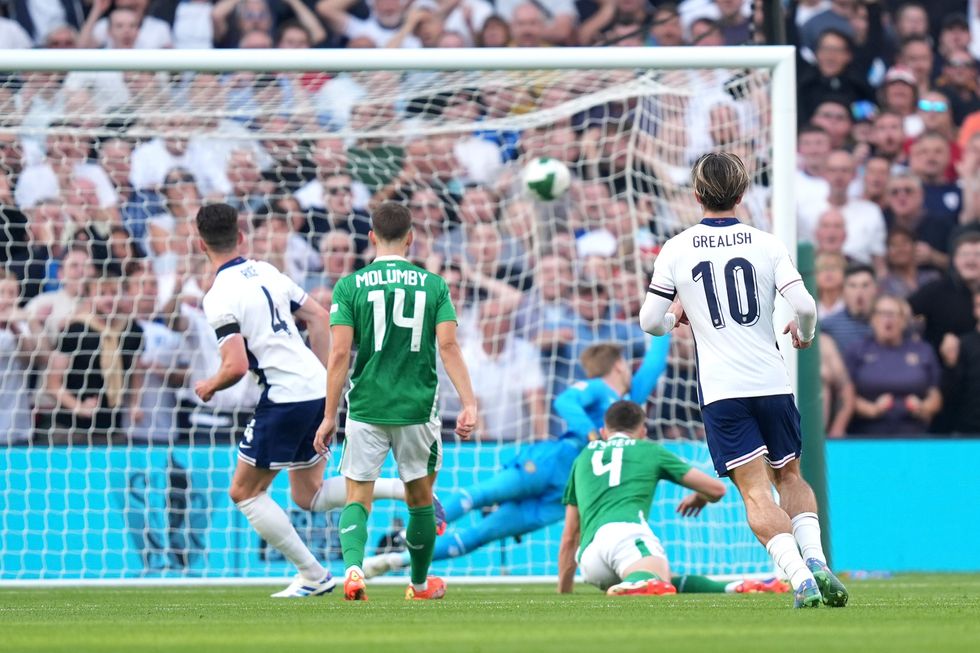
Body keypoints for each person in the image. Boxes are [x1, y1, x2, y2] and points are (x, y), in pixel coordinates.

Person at [638, 152, 848, 609]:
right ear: (742, 192)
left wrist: (677, 314)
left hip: (723, 392)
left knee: (755, 491)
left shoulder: (676, 248)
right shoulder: (767, 243)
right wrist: (804, 334)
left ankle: (798, 578)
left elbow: (649, 322)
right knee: (791, 476)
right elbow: (807, 307)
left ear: (696, 194)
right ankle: (817, 561)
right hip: (772, 382)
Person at [361, 339, 671, 579]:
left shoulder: (629, 402)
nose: (632, 370)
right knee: (479, 496)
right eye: (628, 365)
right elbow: (565, 401)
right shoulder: (597, 388)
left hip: (565, 493)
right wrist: (592, 434)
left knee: (483, 534)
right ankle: (401, 538)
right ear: (618, 365)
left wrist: (666, 314)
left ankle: (394, 560)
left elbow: (655, 363)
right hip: (551, 463)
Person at [315, 202, 479, 601]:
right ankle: (420, 585)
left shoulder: (349, 286)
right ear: (410, 238)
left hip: (367, 406)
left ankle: (354, 571)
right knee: (421, 500)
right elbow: (449, 346)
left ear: (372, 237)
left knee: (358, 495)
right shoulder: (434, 285)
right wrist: (469, 402)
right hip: (417, 408)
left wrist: (327, 416)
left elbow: (339, 356)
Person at [193, 202, 335, 598]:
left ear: (201, 244)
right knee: (309, 495)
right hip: (316, 388)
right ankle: (404, 490)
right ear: (241, 237)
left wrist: (209, 385)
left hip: (286, 397)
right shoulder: (268, 272)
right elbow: (321, 318)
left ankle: (314, 574)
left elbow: (236, 366)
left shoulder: (218, 296)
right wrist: (324, 380)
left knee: (244, 492)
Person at [557, 401, 787, 596]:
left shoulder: (583, 457)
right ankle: (635, 582)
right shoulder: (648, 450)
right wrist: (700, 497)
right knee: (652, 574)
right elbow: (716, 489)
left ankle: (734, 587)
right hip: (625, 537)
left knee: (664, 578)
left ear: (604, 432)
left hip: (589, 559)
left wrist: (564, 592)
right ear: (643, 432)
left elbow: (570, 535)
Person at [844, 295, 942, 437]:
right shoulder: (857, 350)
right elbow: (844, 394)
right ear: (872, 319)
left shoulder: (923, 350)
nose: (888, 319)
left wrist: (923, 407)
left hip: (915, 434)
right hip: (866, 435)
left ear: (904, 321)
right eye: (882, 314)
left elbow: (936, 395)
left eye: (893, 314)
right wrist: (871, 409)